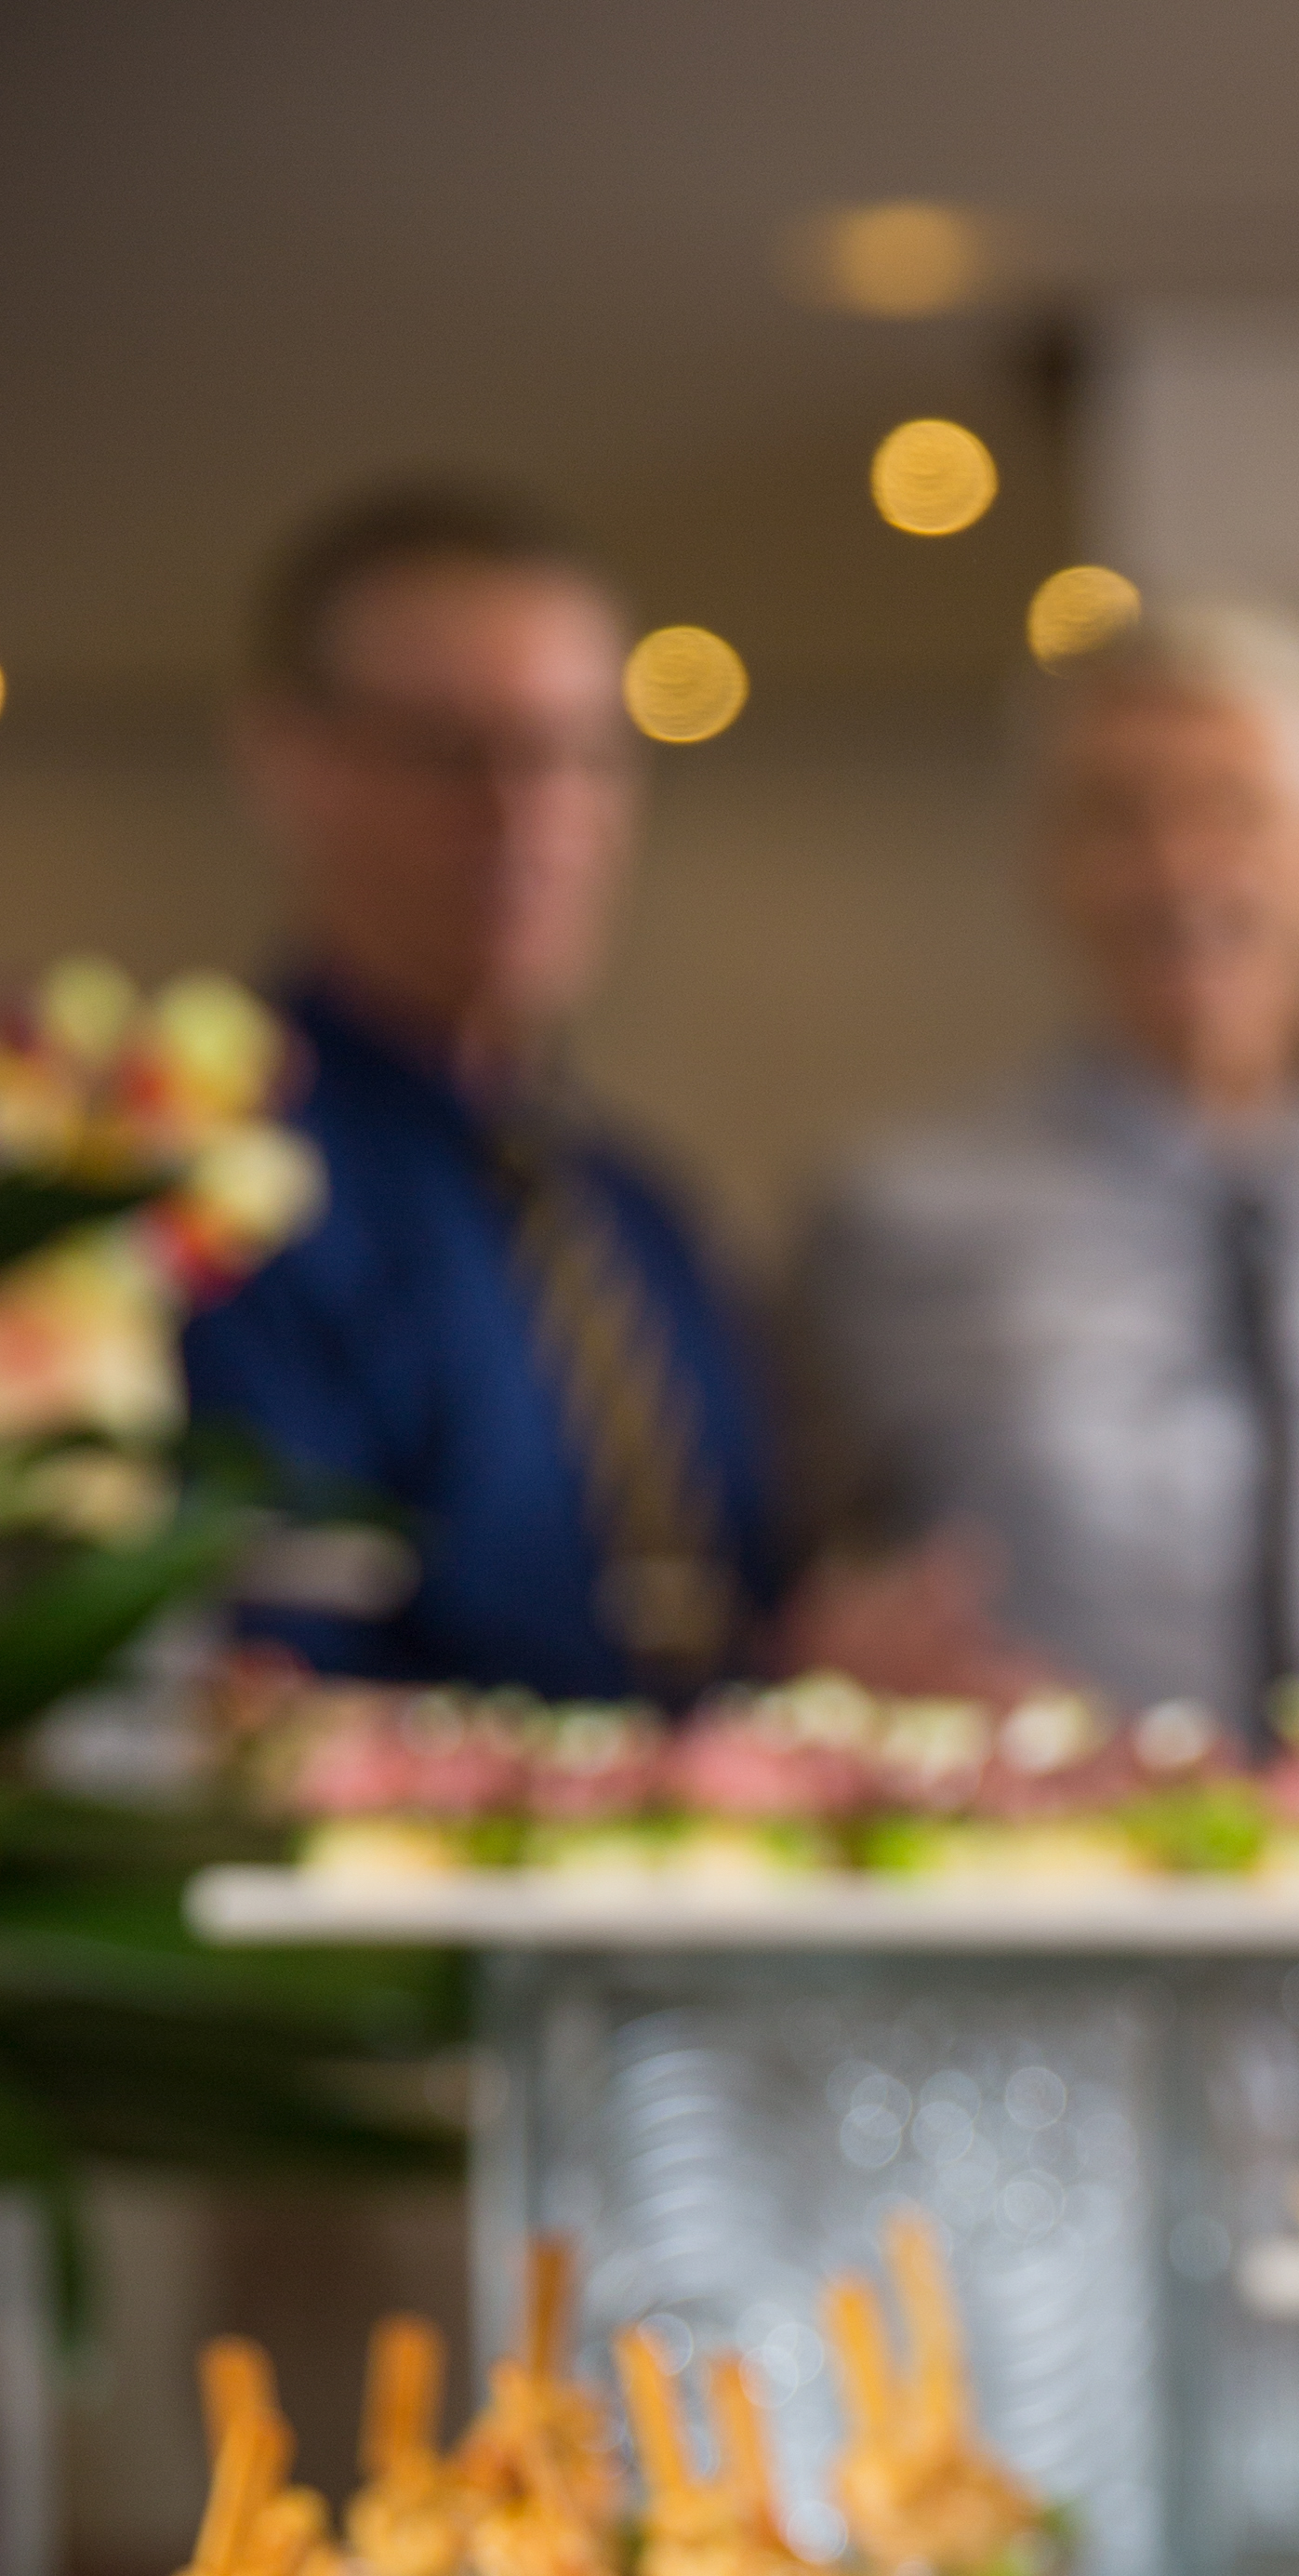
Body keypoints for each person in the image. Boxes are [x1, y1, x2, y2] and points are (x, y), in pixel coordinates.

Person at [797, 602, 1299, 1759]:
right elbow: (809, 1597)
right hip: (1071, 1902)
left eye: (1235, 812)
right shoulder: (896, 1216)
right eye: (1119, 819)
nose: (1181, 869)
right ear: (1046, 866)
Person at [186, 479, 789, 1701]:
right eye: (454, 754)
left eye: (580, 753)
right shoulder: (202, 1189)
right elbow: (284, 1663)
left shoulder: (638, 1212)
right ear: (291, 764)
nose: (532, 816)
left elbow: (731, 1599)